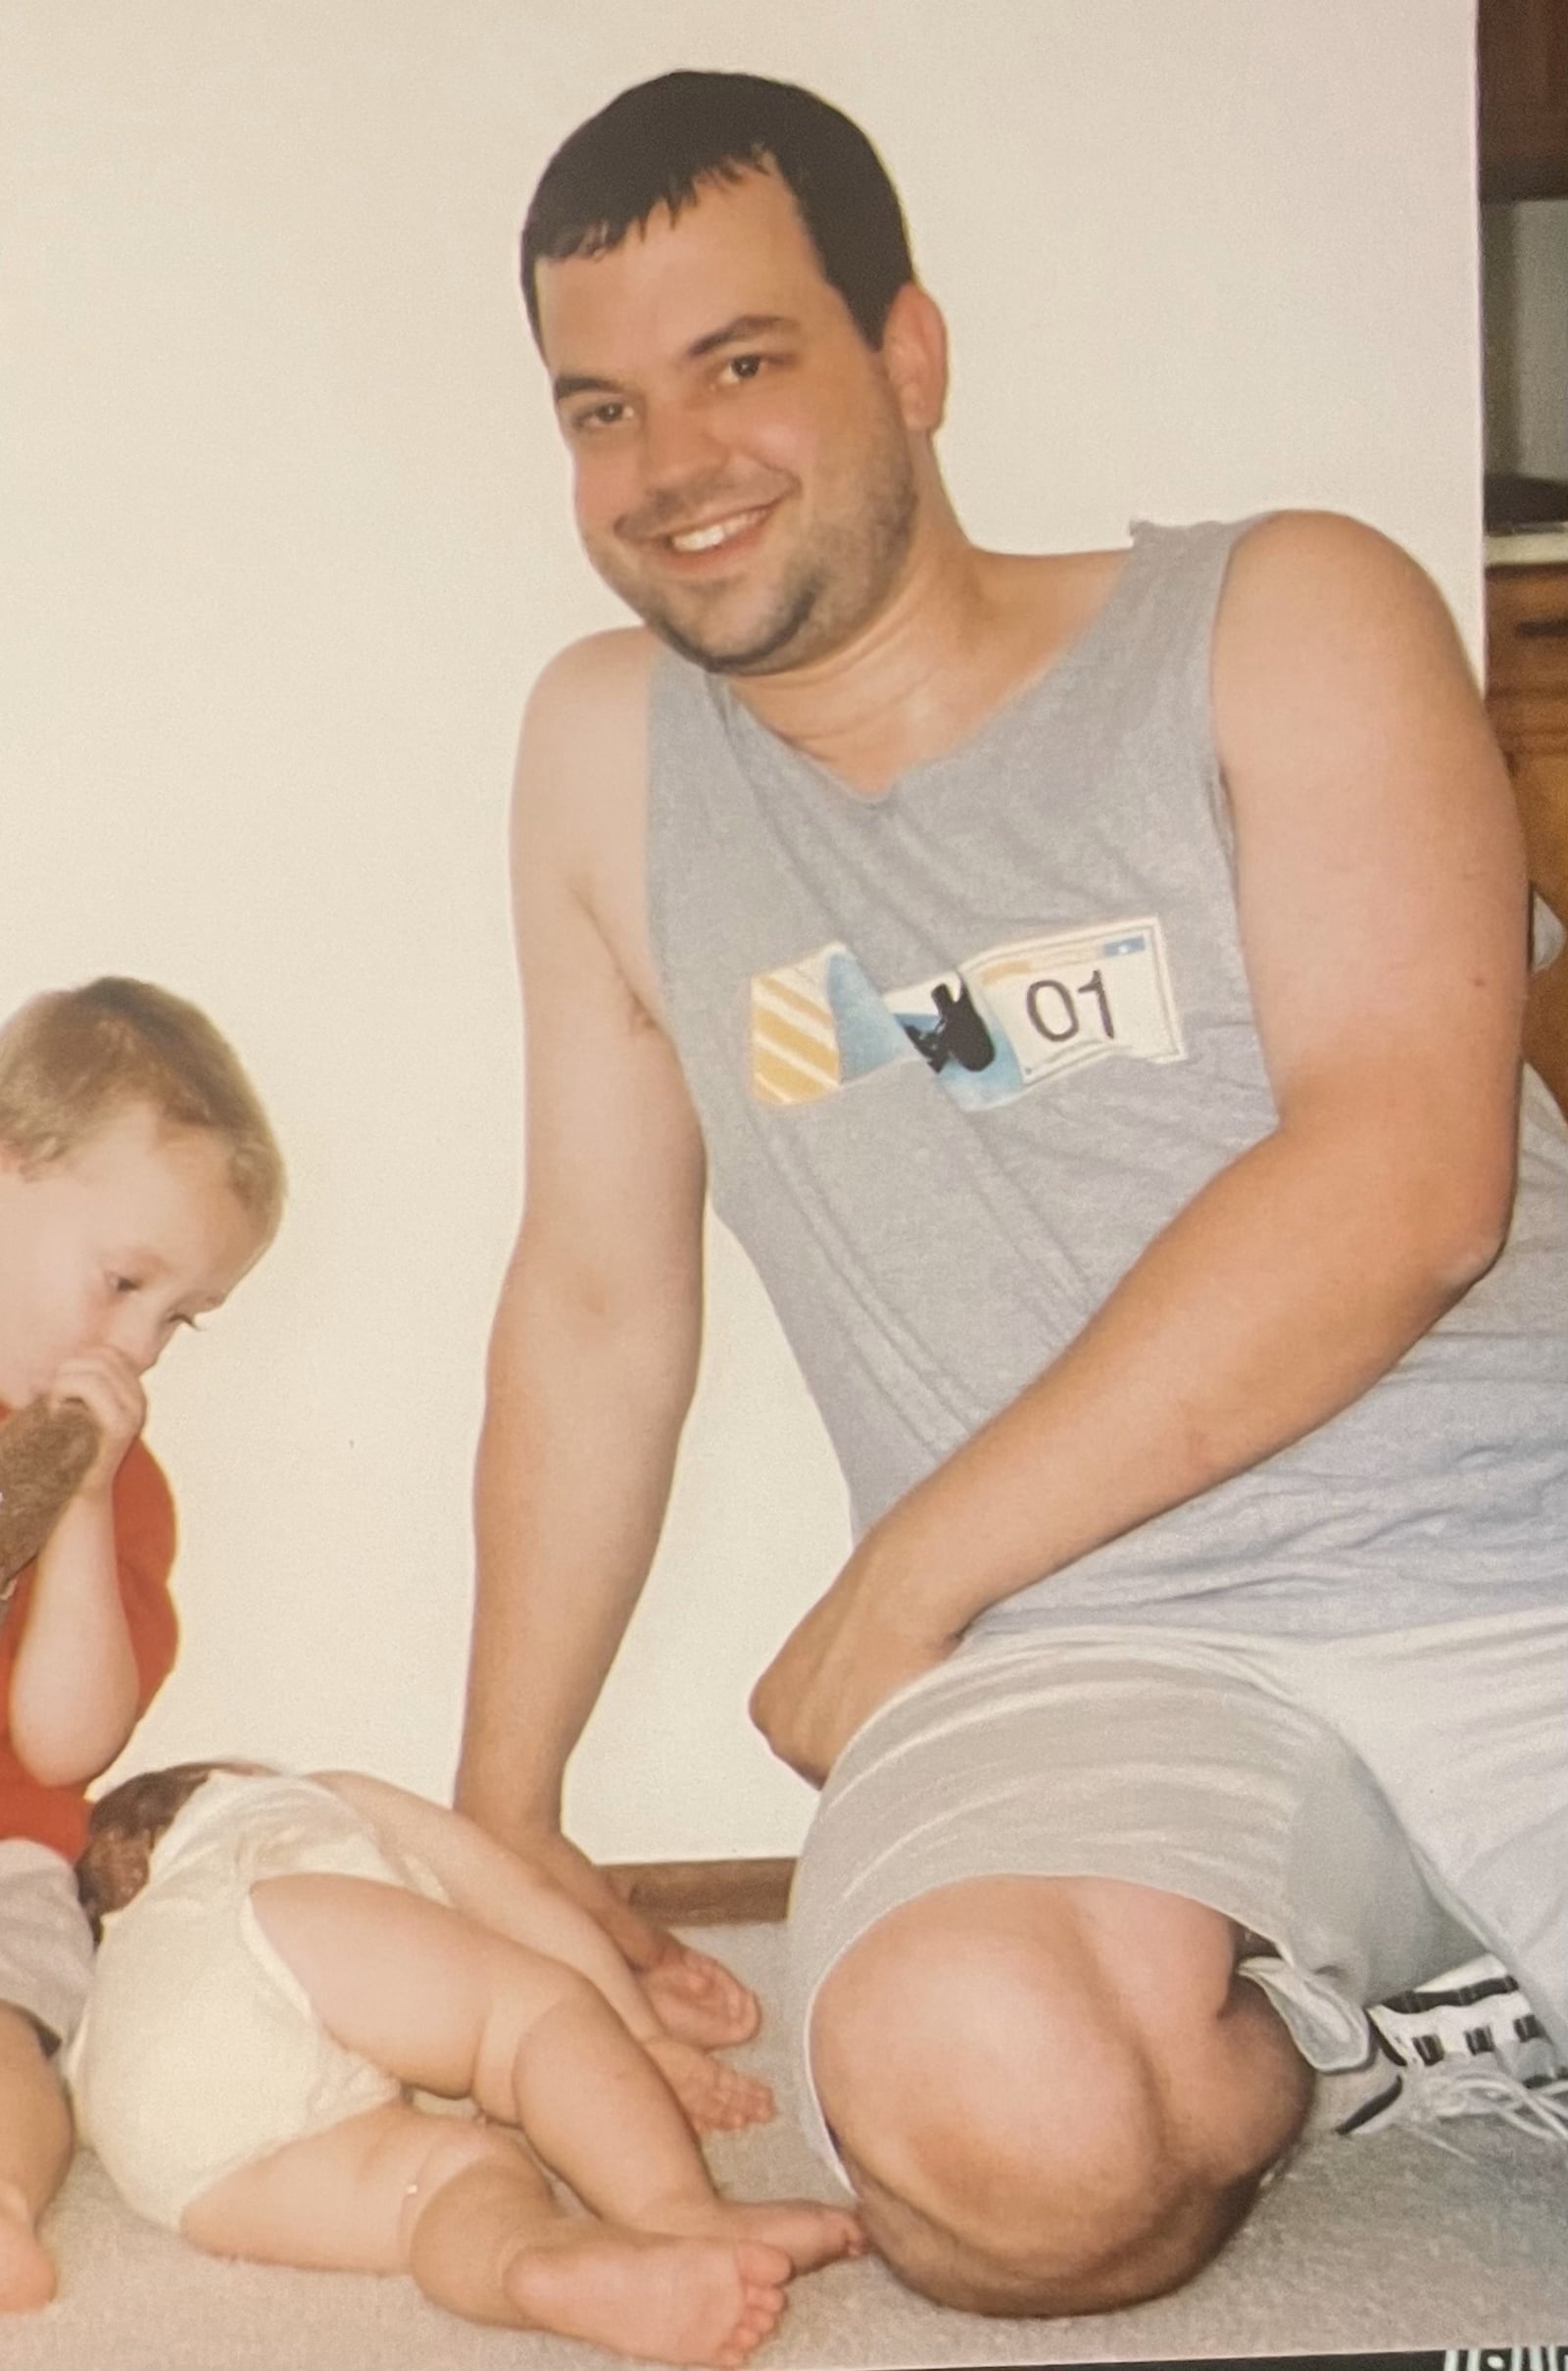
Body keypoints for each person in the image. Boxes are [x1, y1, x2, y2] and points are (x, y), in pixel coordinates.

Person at [456, 67, 1568, 2314]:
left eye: (739, 363)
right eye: (599, 407)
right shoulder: (603, 759)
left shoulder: (1282, 610)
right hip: (1085, 1668)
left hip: (1513, 1549)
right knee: (983, 2129)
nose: (667, 464)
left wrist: (902, 1578)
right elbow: (594, 1292)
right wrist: (503, 1801)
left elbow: (1406, 1176)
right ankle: (1343, 2048)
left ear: (910, 354)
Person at [68, 1760, 862, 2366]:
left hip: (140, 2122)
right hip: (258, 1934)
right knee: (536, 2018)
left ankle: (528, 2264)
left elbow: (400, 2014)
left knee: (448, 2179)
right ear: (222, 1779)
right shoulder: (298, 1805)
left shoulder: (135, 1952)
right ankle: (675, 2212)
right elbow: (513, 1895)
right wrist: (634, 2030)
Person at [0, 975, 283, 2308]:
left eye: (176, 1315)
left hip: (0, 1851)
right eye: (123, 1282)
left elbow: (67, 1739)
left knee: (6, 2023)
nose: (142, 1346)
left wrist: (79, 1507)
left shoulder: (124, 1486)